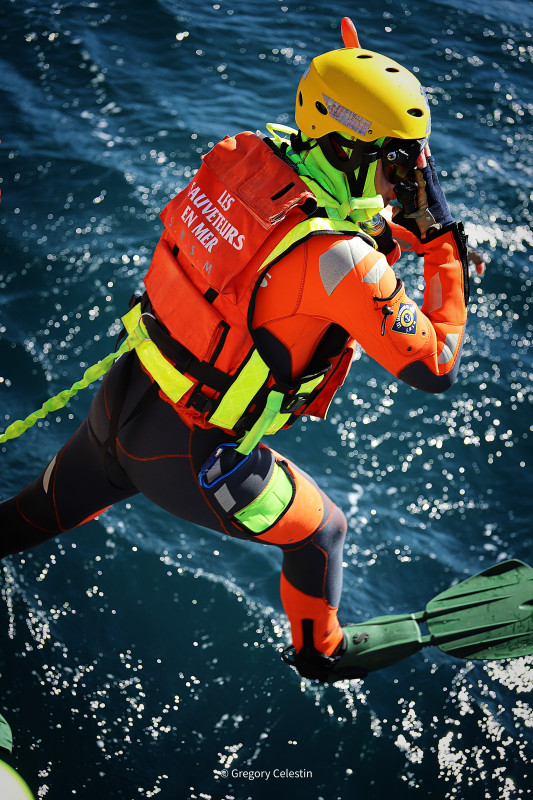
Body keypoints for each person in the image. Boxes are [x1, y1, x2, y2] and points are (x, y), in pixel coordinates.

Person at [0, 29, 469, 682]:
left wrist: (398, 220)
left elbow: (311, 226)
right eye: (399, 163)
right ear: (350, 149)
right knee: (323, 533)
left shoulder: (247, 159)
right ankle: (320, 653)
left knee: (20, 521)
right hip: (192, 455)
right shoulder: (343, 261)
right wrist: (442, 246)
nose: (409, 180)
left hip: (127, 396)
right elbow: (435, 364)